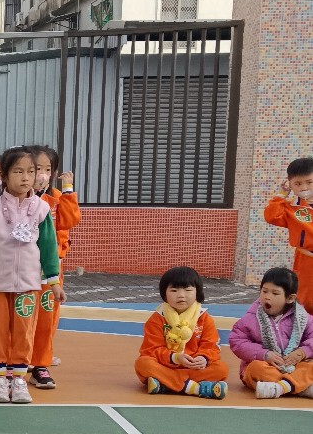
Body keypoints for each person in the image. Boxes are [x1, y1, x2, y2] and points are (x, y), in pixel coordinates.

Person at [0, 146, 62, 405]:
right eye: (18, 172)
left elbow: (48, 246)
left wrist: (53, 281)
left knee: (24, 332)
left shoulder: (42, 209)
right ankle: (0, 378)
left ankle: (19, 379)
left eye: (31, 172)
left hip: (29, 285)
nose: (26, 178)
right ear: (3, 174)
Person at [27, 145, 81, 389]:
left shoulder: (57, 197)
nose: (42, 174)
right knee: (20, 313)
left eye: (48, 169)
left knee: (46, 316)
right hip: (20, 266)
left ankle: (41, 362)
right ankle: (14, 359)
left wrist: (68, 191)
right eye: (37, 168)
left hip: (49, 268)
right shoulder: (15, 197)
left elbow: (69, 221)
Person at [134, 266, 228, 399]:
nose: (181, 295)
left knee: (221, 369)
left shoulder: (204, 318)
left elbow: (211, 346)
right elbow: (151, 350)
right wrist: (176, 358)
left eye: (188, 290)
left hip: (193, 368)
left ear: (197, 292)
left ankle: (167, 384)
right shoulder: (157, 319)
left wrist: (203, 358)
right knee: (143, 364)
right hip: (166, 366)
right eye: (174, 290)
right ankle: (194, 388)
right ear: (164, 293)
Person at [229, 266, 313, 398]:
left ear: (290, 298)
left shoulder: (302, 318)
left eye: (275, 293)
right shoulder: (252, 318)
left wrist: (303, 352)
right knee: (254, 369)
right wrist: (264, 354)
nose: (267, 297)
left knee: (310, 366)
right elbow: (237, 341)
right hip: (266, 366)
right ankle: (299, 386)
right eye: (264, 291)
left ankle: (280, 387)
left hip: (293, 366)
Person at [264, 157, 313, 309]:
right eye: (298, 183)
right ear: (290, 184)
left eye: (309, 182)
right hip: (306, 260)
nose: (304, 188)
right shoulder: (291, 207)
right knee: (305, 300)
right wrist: (281, 195)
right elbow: (271, 216)